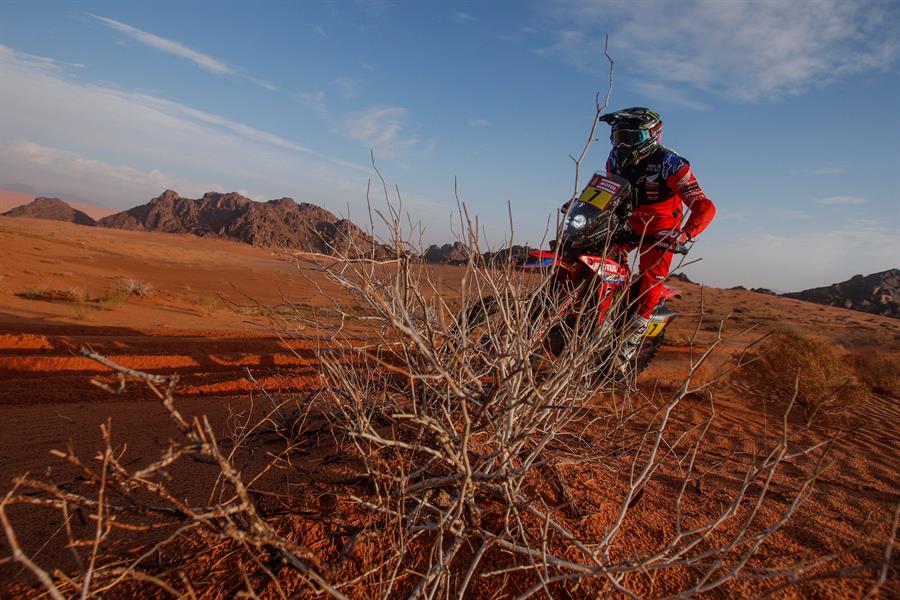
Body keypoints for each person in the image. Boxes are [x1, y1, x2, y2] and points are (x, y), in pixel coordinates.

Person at [598, 107, 716, 366]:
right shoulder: (614, 159)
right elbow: (610, 191)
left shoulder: (670, 163)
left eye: (631, 138)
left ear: (652, 135)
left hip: (661, 228)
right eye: (619, 137)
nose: (623, 144)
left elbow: (703, 204)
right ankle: (600, 318)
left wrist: (685, 234)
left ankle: (629, 343)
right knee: (600, 256)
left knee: (651, 278)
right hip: (627, 221)